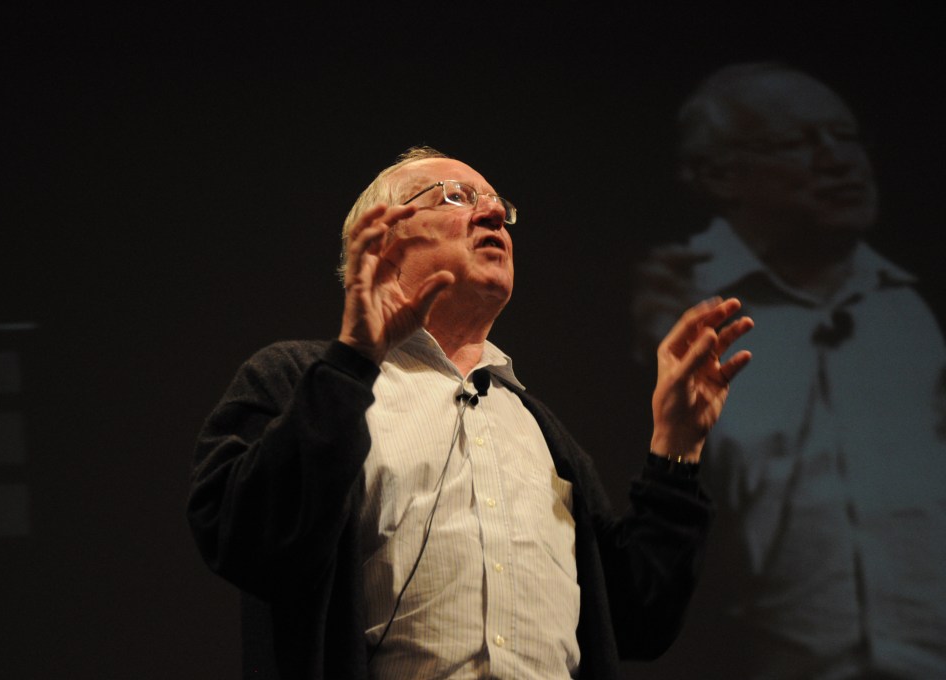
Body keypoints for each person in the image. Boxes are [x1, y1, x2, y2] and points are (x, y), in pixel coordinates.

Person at [187, 146, 753, 680]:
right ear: (382, 238)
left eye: (499, 207)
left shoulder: (540, 431)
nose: (492, 215)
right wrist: (352, 360)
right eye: (455, 196)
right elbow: (247, 542)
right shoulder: (296, 380)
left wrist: (675, 448)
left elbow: (637, 621)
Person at [631, 63, 946, 679]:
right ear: (719, 174)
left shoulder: (917, 303)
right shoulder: (664, 309)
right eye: (801, 143)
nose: (839, 161)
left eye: (847, 138)